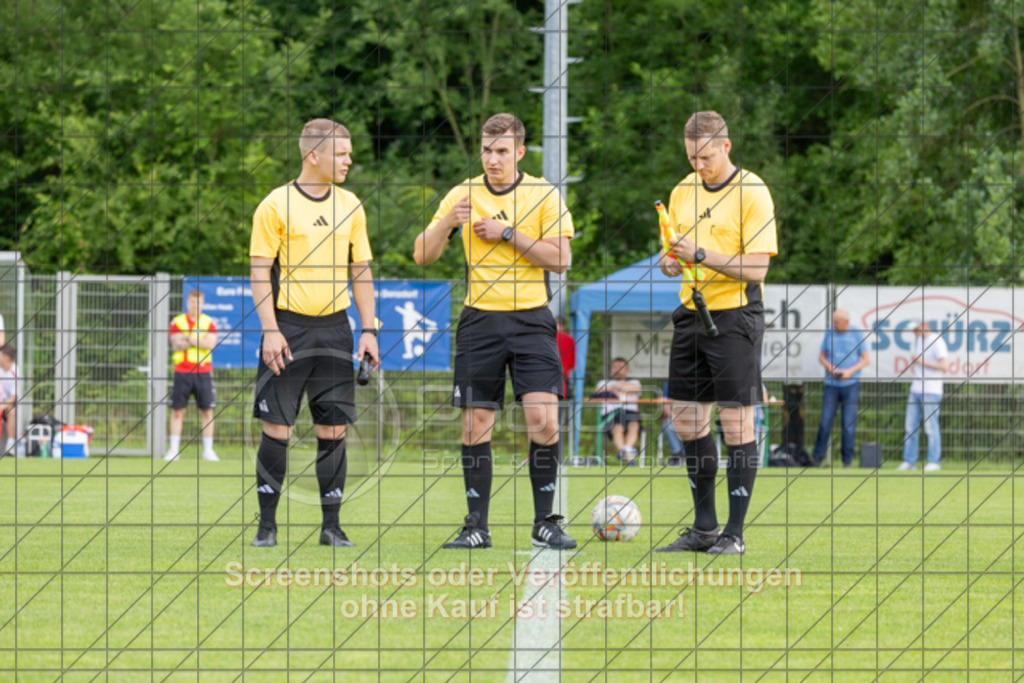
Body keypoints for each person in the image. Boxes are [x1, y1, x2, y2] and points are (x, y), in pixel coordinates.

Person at [413, 112, 576, 550]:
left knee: (542, 419)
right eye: (487, 150)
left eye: (502, 151)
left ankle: (546, 521)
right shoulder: (462, 194)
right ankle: (476, 526)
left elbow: (560, 259)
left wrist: (508, 233)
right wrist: (447, 223)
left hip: (532, 320)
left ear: (520, 152)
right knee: (475, 425)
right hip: (479, 322)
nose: (493, 159)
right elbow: (421, 256)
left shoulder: (543, 194)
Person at [248, 118, 380, 548]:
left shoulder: (352, 205)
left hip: (336, 331)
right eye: (341, 154)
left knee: (334, 430)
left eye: (349, 153)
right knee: (277, 429)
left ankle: (331, 526)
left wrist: (368, 330)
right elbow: (259, 272)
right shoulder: (275, 204)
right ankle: (267, 527)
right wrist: (270, 330)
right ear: (313, 155)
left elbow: (360, 271)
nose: (349, 160)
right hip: (288, 328)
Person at [655, 111, 777, 556]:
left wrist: (701, 253)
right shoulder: (682, 189)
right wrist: (671, 261)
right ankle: (704, 528)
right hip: (690, 312)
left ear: (726, 146)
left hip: (735, 316)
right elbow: (674, 253)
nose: (697, 166)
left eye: (704, 156)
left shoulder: (753, 191)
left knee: (736, 420)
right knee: (686, 419)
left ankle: (734, 533)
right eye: (691, 157)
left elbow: (758, 267)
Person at [164, 289, 219, 462]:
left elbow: (210, 344)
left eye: (199, 302)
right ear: (188, 303)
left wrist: (188, 338)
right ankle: (173, 450)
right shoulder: (178, 321)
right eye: (193, 302)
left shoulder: (209, 322)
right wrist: (198, 340)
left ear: (202, 303)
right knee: (177, 411)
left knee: (207, 412)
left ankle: (208, 451)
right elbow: (176, 344)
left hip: (203, 372)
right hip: (182, 372)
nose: (195, 305)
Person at [811, 309, 870, 467]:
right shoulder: (829, 332)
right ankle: (817, 458)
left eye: (837, 322)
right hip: (831, 385)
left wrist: (849, 372)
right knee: (825, 422)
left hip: (851, 385)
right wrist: (830, 367)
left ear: (846, 322)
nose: (834, 324)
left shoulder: (856, 333)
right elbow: (821, 356)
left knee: (848, 425)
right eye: (833, 321)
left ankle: (847, 461)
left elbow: (866, 359)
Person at [898, 321, 948, 472]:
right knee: (910, 427)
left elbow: (944, 366)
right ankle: (909, 461)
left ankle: (934, 461)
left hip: (931, 390)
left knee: (931, 427)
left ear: (924, 326)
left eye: (916, 329)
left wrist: (921, 361)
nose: (914, 332)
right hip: (916, 389)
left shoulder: (937, 341)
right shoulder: (919, 340)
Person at [593, 357, 643, 465]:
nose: (617, 370)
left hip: (631, 413)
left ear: (627, 370)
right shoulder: (603, 382)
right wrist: (620, 388)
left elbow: (635, 389)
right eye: (615, 367)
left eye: (621, 368)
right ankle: (627, 454)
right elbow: (598, 391)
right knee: (617, 426)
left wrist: (613, 388)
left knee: (634, 424)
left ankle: (625, 451)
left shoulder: (635, 382)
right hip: (611, 414)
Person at [555, 316, 576, 429]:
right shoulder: (570, 340)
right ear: (564, 326)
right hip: (561, 385)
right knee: (557, 422)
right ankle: (555, 446)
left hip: (542, 383)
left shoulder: (545, 338)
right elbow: (572, 365)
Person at [660, 381, 684, 467]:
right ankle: (678, 454)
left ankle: (685, 455)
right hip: (673, 416)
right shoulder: (668, 384)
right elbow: (665, 406)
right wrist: (675, 417)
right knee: (667, 424)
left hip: (692, 417)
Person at [0, 344, 16, 456]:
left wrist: (2, 406)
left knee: (12, 411)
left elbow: (12, 399)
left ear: (7, 357)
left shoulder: (15, 372)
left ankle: (10, 445)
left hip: (7, 405)